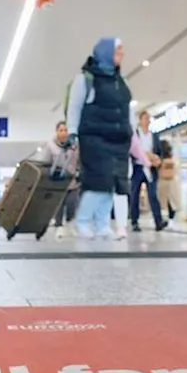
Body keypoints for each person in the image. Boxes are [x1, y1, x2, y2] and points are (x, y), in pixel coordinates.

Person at [66, 38, 133, 241]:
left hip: (118, 140)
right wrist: (72, 132)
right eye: (118, 50)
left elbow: (126, 110)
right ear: (106, 52)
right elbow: (75, 107)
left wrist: (130, 132)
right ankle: (83, 222)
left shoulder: (120, 81)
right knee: (97, 182)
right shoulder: (85, 79)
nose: (122, 54)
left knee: (111, 184)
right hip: (94, 138)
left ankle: (103, 224)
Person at [32, 122, 81, 239]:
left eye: (65, 130)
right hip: (57, 181)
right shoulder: (50, 146)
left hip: (72, 181)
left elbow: (80, 161)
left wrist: (79, 172)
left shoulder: (75, 146)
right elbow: (46, 162)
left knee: (72, 203)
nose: (63, 133)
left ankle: (70, 223)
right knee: (58, 205)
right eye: (61, 130)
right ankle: (59, 226)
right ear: (57, 132)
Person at [128, 110, 167, 233]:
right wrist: (146, 156)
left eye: (149, 118)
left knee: (153, 195)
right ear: (140, 120)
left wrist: (158, 160)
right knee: (135, 195)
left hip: (151, 168)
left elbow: (159, 152)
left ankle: (158, 221)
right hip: (138, 168)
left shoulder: (154, 136)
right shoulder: (135, 135)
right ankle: (134, 221)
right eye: (145, 118)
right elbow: (132, 150)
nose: (147, 121)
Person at [156, 139, 179, 221]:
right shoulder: (172, 160)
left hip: (161, 181)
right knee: (171, 200)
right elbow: (176, 170)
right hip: (172, 181)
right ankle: (171, 218)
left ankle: (162, 218)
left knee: (161, 200)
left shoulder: (160, 160)